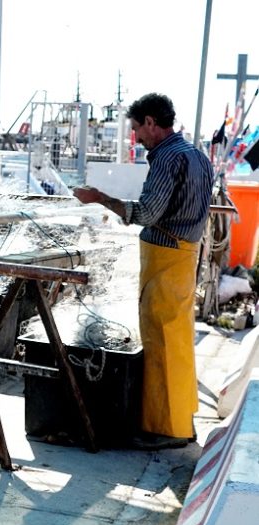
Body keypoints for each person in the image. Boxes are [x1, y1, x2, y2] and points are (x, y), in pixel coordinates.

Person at [73, 92, 214, 450]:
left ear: (151, 122)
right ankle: (182, 420)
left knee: (161, 341)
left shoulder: (167, 158)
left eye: (137, 128)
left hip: (165, 256)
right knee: (178, 341)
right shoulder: (197, 155)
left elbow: (148, 213)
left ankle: (166, 429)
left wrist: (99, 198)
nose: (136, 136)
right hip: (185, 254)